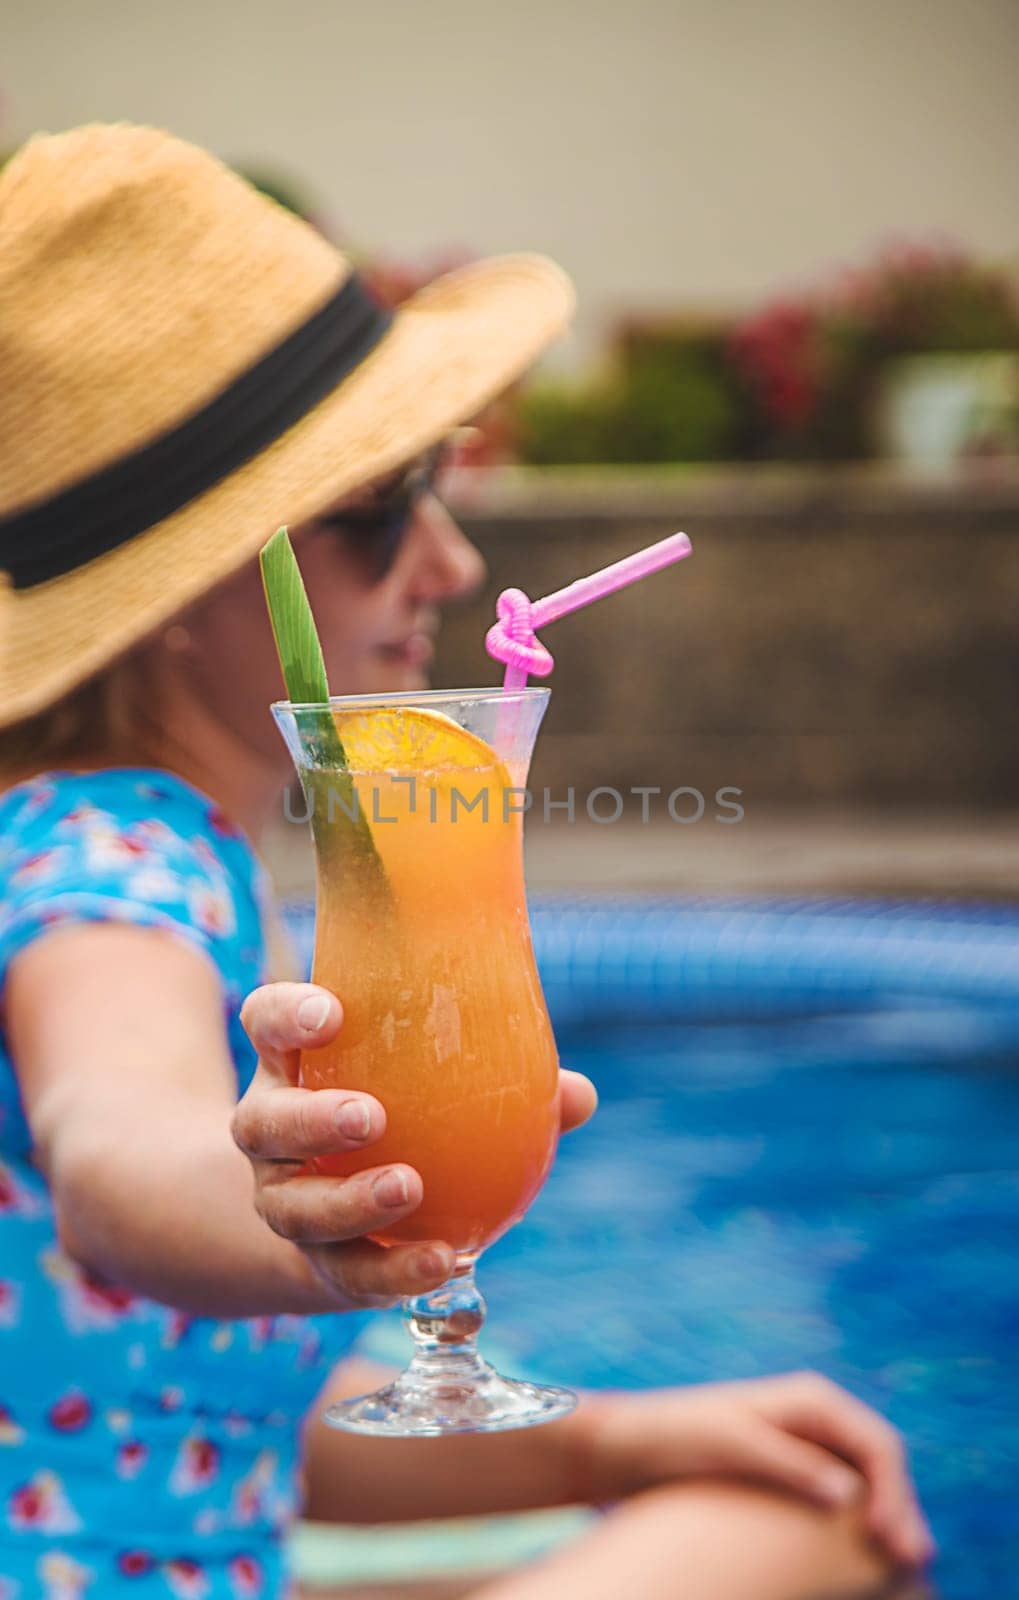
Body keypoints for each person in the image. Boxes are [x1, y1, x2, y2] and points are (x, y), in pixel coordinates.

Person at [0, 125, 933, 1599]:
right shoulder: (118, 860)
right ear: (186, 585)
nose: (441, 562)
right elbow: (110, 1145)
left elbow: (214, 1432)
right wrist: (270, 1202)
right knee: (810, 1538)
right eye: (375, 512)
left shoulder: (125, 842)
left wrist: (617, 1441)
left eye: (429, 487)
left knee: (784, 1503)